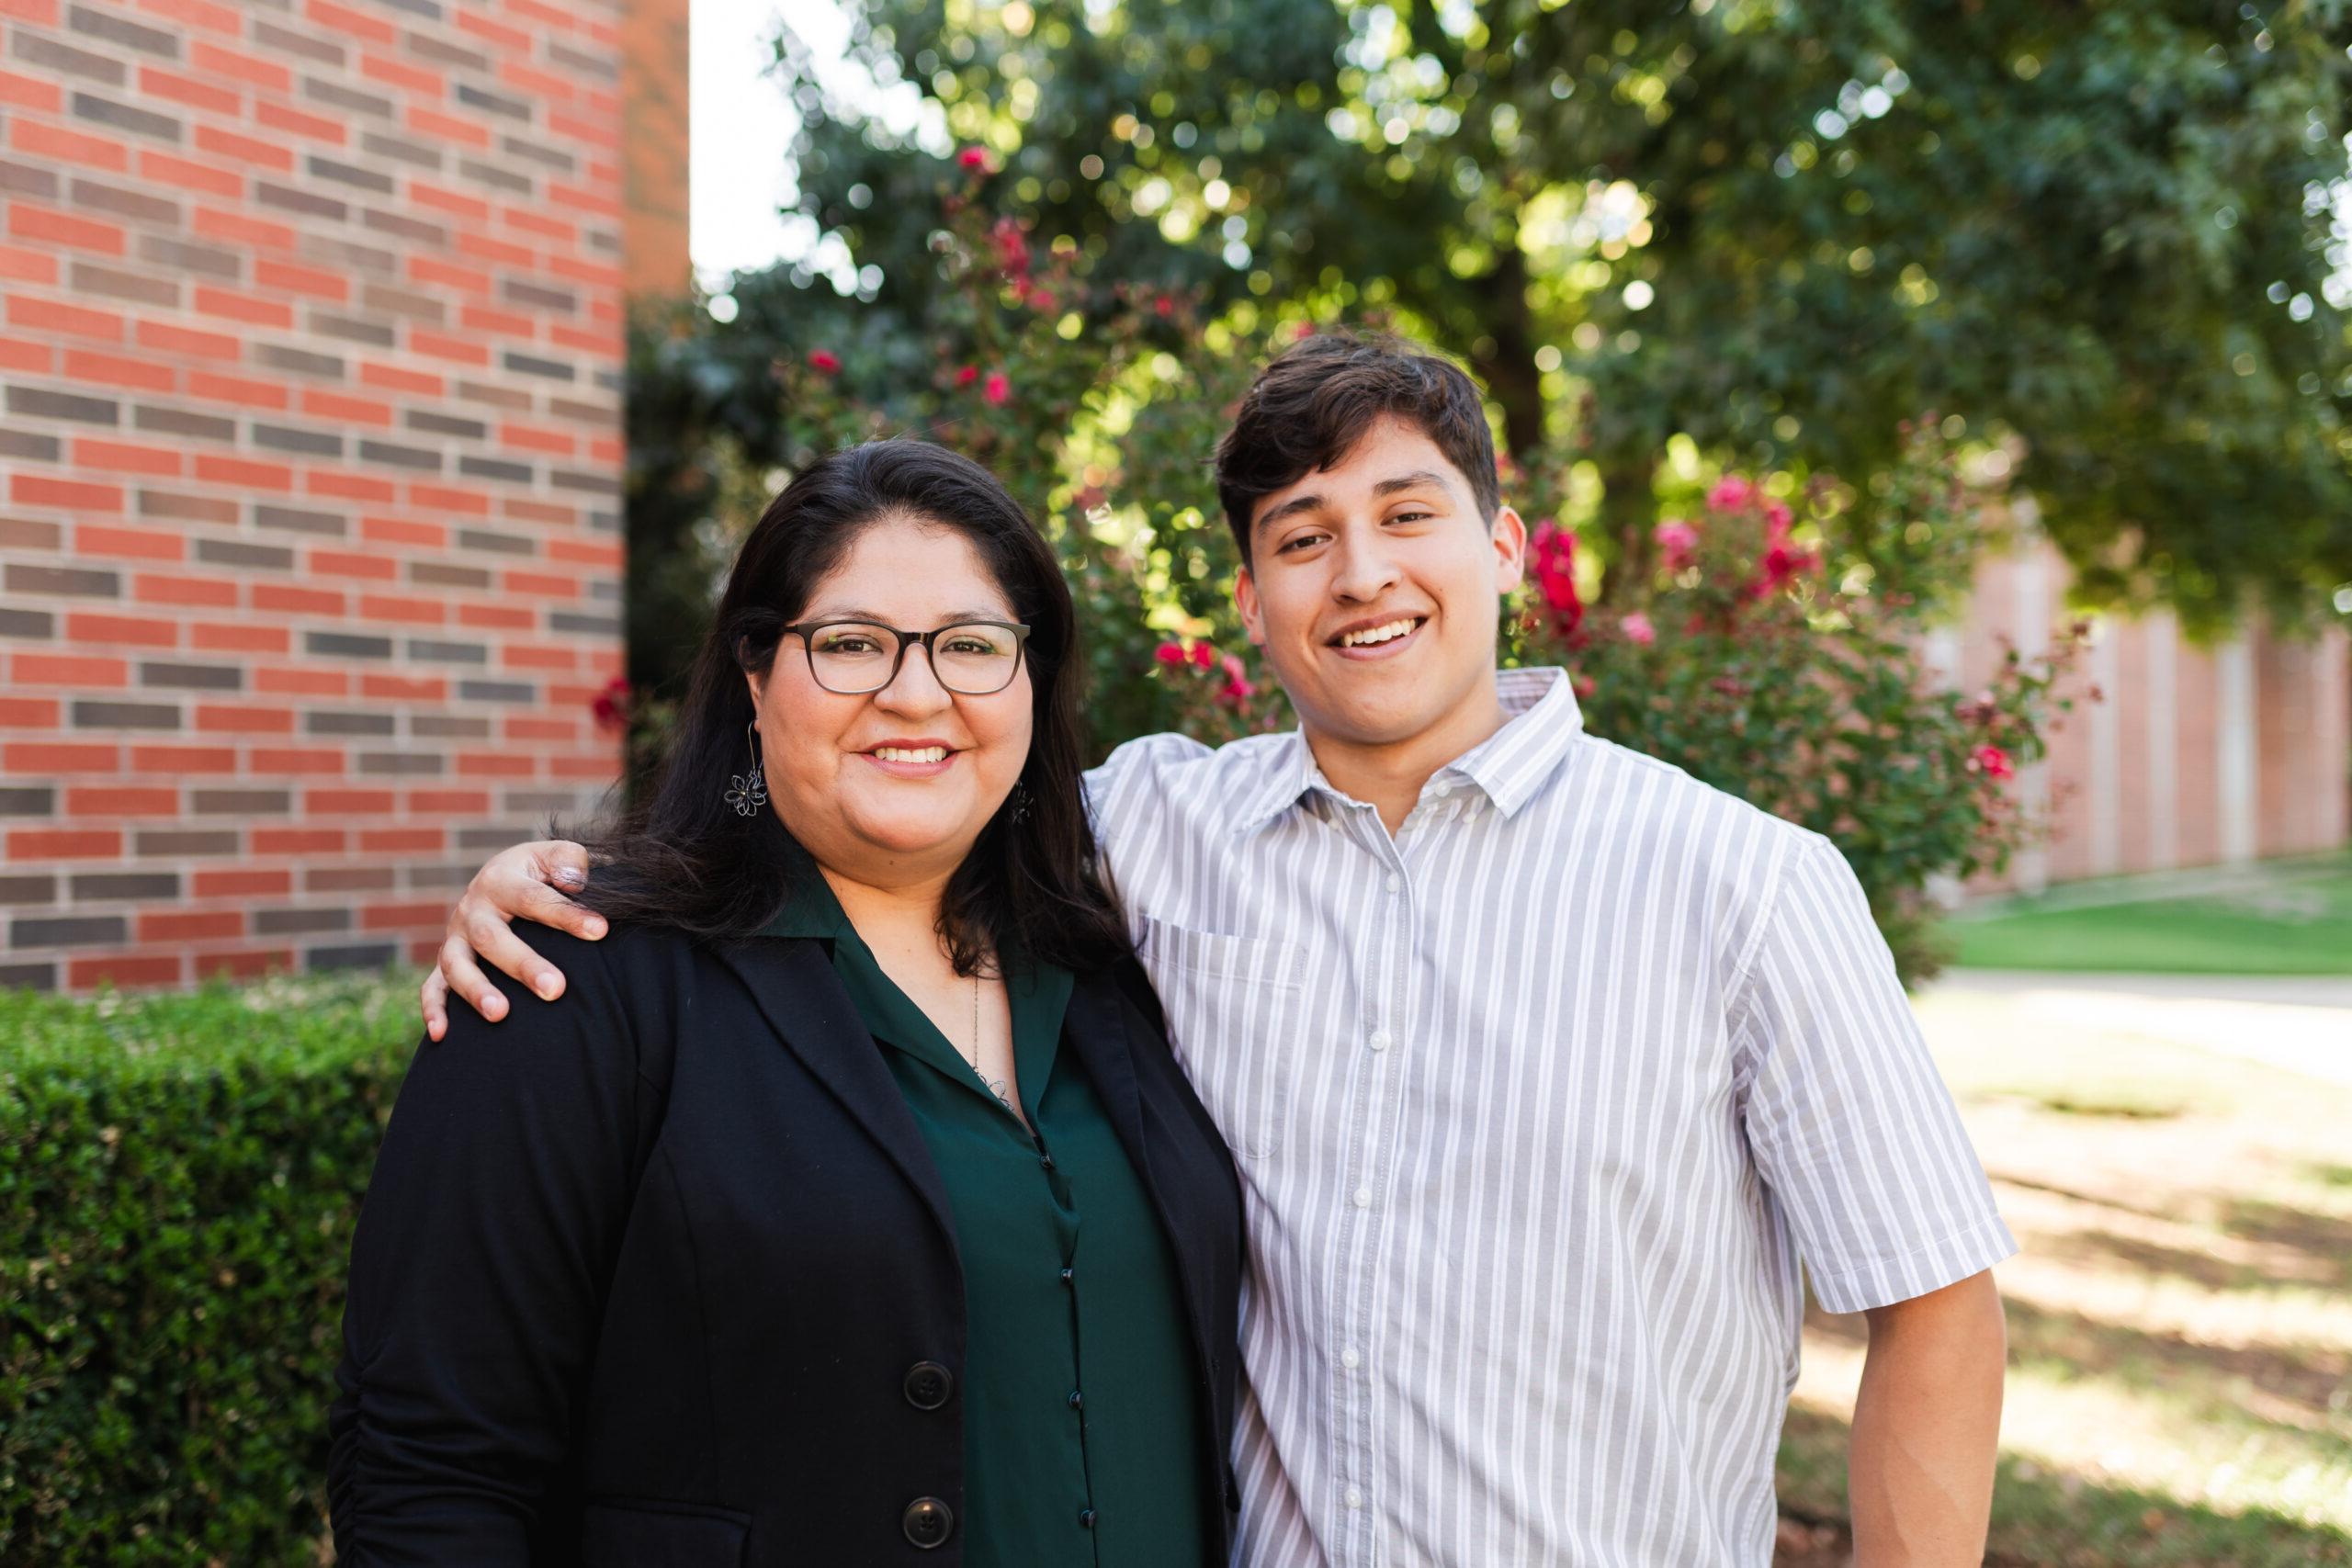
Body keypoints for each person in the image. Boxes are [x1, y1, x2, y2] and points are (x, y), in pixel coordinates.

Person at [424, 333, 2014, 1566]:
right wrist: (571, 877)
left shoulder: (1745, 884)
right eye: (1303, 535)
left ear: (1508, 546)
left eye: (1409, 515)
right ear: (1252, 594)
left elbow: (1934, 1302)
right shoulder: (1145, 838)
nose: (1364, 573)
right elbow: (895, 785)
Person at [329, 441, 1245, 1566]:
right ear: (758, 676)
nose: (918, 693)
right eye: (852, 644)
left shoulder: (1115, 965)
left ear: (1032, 682)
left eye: (970, 646)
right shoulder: (577, 980)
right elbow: (427, 1471)